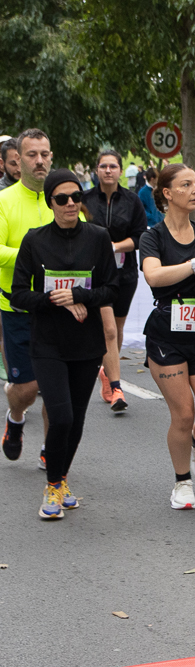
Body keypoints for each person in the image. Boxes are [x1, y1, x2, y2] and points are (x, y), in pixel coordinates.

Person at [11, 169, 118, 519]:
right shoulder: (34, 240)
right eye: (62, 198)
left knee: (77, 421)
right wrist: (55, 299)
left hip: (86, 344)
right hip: (48, 343)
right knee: (61, 416)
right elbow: (18, 295)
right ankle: (52, 484)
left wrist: (79, 295)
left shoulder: (98, 237)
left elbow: (112, 289)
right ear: (51, 202)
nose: (71, 203)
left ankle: (61, 479)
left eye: (76, 196)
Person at [140, 164, 195, 510]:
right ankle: (182, 483)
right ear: (167, 193)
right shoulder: (153, 236)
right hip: (166, 336)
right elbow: (154, 276)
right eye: (186, 184)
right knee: (182, 413)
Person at [0, 129, 53, 467]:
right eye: (32, 155)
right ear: (18, 160)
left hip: (57, 308)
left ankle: (51, 450)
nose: (39, 161)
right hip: (16, 307)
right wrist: (30, 255)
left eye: (44, 154)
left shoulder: (62, 199)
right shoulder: (4, 201)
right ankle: (15, 416)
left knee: (56, 387)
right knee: (27, 389)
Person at [81, 150, 148, 414]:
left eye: (113, 166)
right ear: (96, 170)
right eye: (103, 166)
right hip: (95, 275)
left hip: (124, 272)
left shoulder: (132, 200)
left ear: (120, 170)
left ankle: (107, 373)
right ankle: (115, 383)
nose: (108, 171)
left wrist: (115, 246)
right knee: (107, 329)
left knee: (117, 327)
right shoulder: (85, 199)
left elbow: (141, 236)